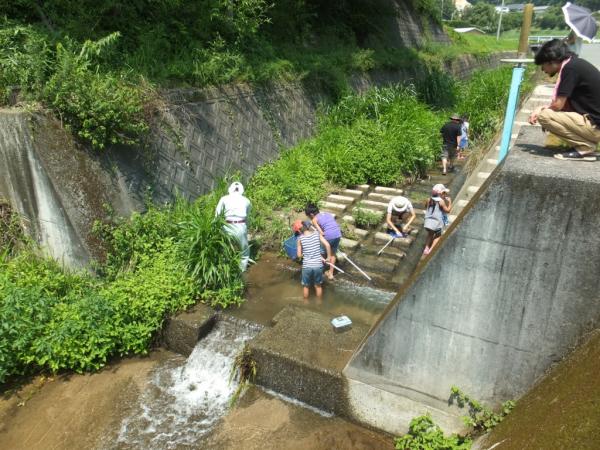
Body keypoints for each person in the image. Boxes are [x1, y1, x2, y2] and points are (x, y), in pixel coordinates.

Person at [528, 39, 600, 161]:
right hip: (594, 124)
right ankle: (586, 144)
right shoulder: (575, 64)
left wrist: (540, 109)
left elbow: (558, 105)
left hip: (595, 127)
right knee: (549, 114)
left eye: (543, 65)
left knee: (544, 116)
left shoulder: (570, 69)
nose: (543, 70)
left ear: (551, 61)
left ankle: (584, 147)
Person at [215, 182, 251, 271]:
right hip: (241, 225)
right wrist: (246, 229)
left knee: (226, 249)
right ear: (241, 190)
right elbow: (248, 216)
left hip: (226, 225)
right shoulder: (246, 200)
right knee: (244, 252)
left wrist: (217, 228)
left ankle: (225, 269)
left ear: (230, 189)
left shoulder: (224, 199)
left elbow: (217, 215)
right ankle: (241, 271)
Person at [297, 220, 332, 301]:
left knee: (306, 286)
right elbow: (327, 245)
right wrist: (328, 257)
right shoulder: (317, 234)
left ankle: (305, 303)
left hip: (307, 266)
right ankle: (319, 303)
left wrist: (303, 254)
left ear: (300, 230)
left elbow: (299, 255)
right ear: (309, 227)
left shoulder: (300, 239)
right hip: (318, 265)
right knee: (318, 285)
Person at [305, 204, 342, 280]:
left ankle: (319, 272)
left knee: (321, 253)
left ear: (311, 214)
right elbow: (330, 225)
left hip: (329, 236)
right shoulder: (327, 214)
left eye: (308, 216)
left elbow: (321, 232)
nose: (309, 218)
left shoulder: (314, 219)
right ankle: (331, 274)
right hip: (338, 234)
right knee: (333, 254)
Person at [422, 184, 452, 256]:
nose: (445, 195)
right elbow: (447, 211)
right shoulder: (441, 201)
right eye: (444, 193)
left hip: (427, 223)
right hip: (436, 223)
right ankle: (431, 250)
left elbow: (426, 206)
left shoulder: (429, 199)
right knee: (438, 235)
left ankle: (426, 248)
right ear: (441, 194)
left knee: (430, 234)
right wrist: (450, 202)